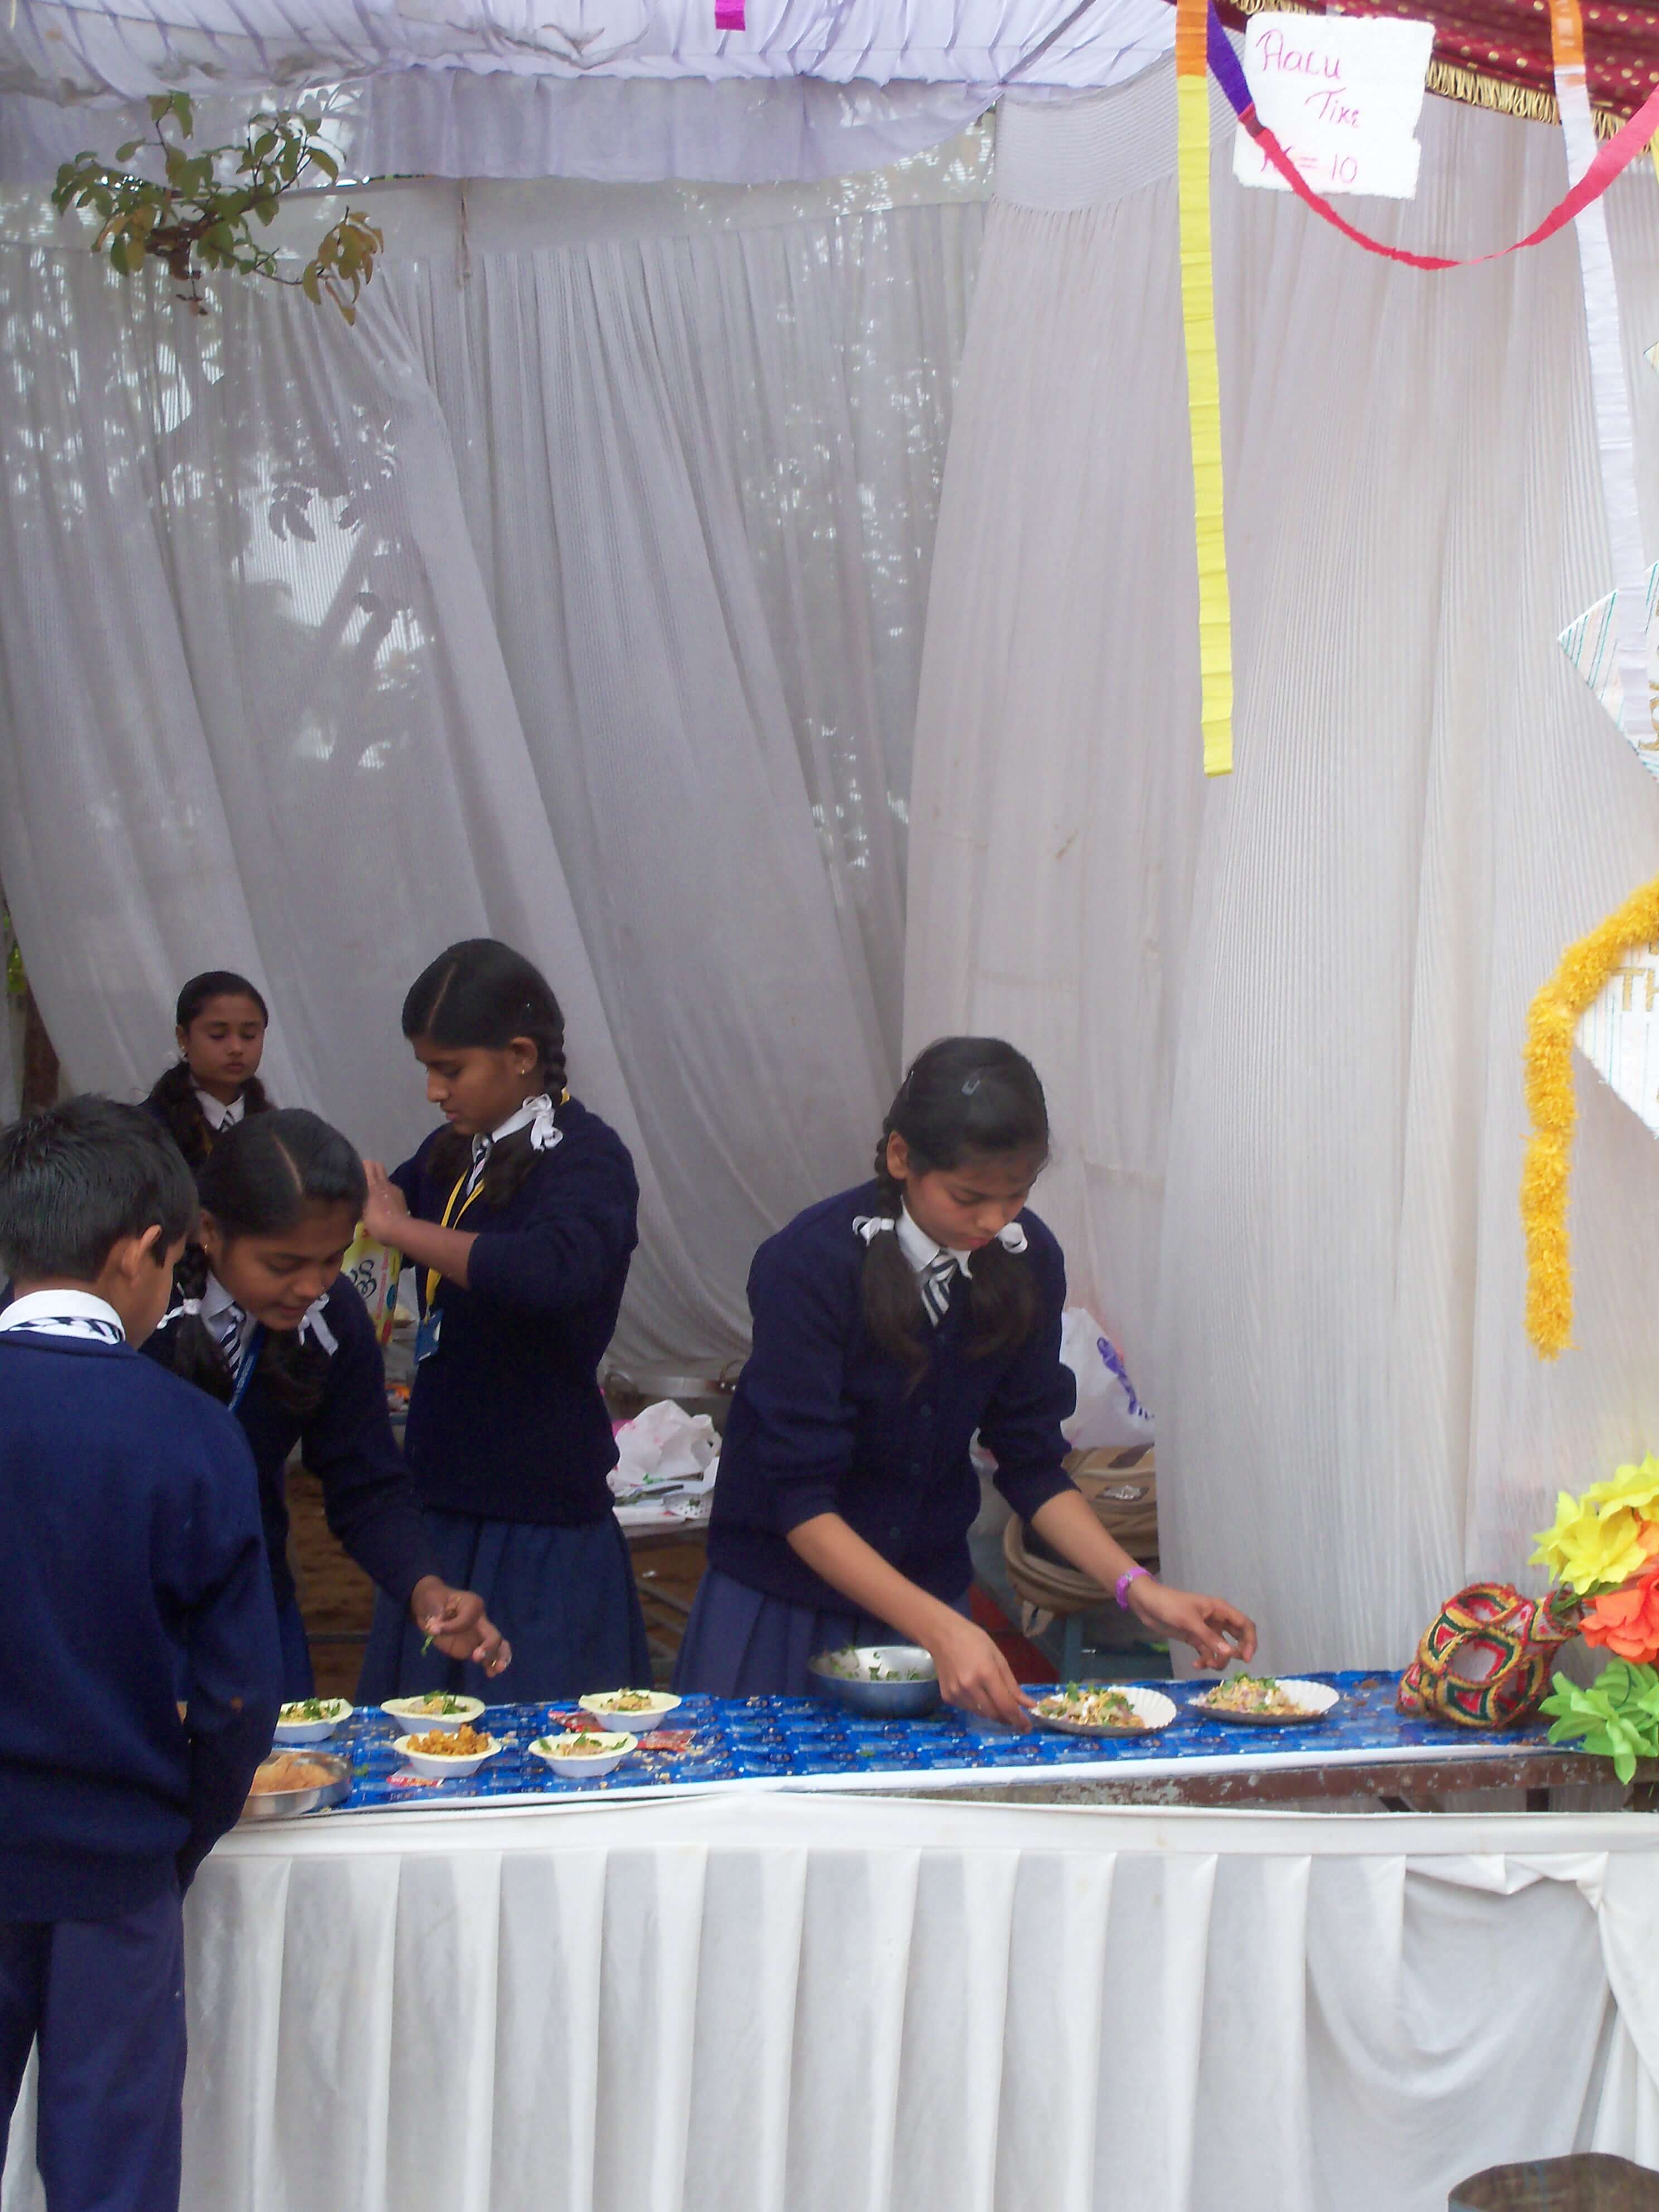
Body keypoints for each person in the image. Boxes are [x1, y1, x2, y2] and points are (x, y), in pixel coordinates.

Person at [674, 1037, 1258, 1721]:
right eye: (969, 1197)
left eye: (1017, 1196)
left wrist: (1137, 1587)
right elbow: (801, 1503)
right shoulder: (811, 1265)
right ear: (902, 1157)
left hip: (928, 1603)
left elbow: (1032, 1463)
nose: (994, 1219)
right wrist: (942, 1629)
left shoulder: (1027, 1259)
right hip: (784, 1607)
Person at [0, 1097, 281, 2212]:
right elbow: (238, 1694)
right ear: (139, 1253)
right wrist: (183, 1830)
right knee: (110, 2179)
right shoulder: (189, 1430)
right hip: (115, 1867)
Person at [356, 938, 650, 1704]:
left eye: (449, 1069)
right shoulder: (452, 1152)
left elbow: (551, 1271)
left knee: (536, 1733)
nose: (433, 1090)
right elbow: (385, 1215)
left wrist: (403, 1230)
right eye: (426, 1068)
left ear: (520, 1056)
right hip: (441, 1498)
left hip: (538, 1512)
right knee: (423, 1737)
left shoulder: (589, 1157)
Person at [143, 1108, 510, 1700]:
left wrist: (424, 1586)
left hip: (250, 1609)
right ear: (208, 1229)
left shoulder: (331, 1317)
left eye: (332, 1258)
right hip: (125, 1617)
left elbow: (365, 1479)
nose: (313, 1285)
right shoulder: (140, 1313)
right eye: (283, 1264)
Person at [143, 970, 273, 1176]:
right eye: (217, 1035)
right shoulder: (147, 1131)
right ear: (183, 1038)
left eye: (249, 1035)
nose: (236, 1048)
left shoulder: (277, 1127)